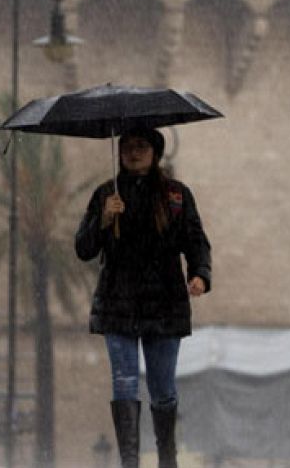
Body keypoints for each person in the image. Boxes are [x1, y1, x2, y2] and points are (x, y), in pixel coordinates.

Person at [76, 127, 212, 468]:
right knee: (123, 382)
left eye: (141, 147)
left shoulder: (176, 196)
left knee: (163, 388)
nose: (133, 153)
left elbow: (195, 240)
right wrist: (105, 219)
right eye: (127, 147)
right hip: (117, 302)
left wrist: (200, 274)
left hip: (164, 303)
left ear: (155, 152)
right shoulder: (107, 194)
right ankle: (130, 462)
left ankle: (168, 459)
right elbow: (84, 248)